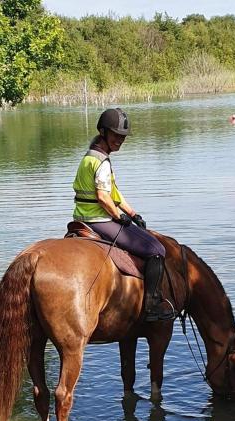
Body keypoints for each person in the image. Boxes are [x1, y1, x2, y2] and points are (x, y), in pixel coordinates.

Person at [73, 107, 175, 322]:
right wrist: (119, 217)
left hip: (82, 217)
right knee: (156, 249)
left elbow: (114, 195)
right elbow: (103, 197)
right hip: (99, 219)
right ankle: (152, 304)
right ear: (103, 132)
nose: (120, 140)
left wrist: (133, 213)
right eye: (116, 135)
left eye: (123, 137)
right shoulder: (101, 162)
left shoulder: (90, 157)